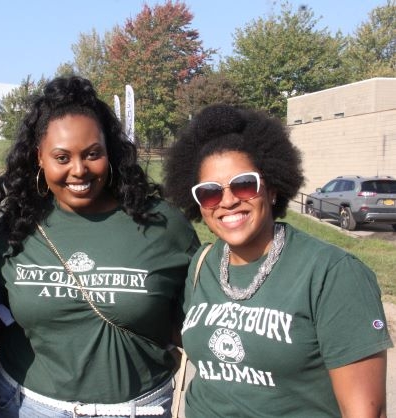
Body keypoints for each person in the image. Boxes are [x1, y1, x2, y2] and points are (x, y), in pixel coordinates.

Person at [0, 75, 201, 417]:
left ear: (110, 152)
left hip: (134, 409)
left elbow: (201, 315)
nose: (79, 170)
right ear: (38, 158)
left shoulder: (161, 224)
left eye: (92, 154)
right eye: (62, 157)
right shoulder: (16, 228)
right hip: (25, 405)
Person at [163, 103, 393, 417]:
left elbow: (366, 411)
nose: (228, 201)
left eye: (244, 185)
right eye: (210, 192)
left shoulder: (331, 273)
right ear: (200, 204)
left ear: (271, 189)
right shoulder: (201, 265)